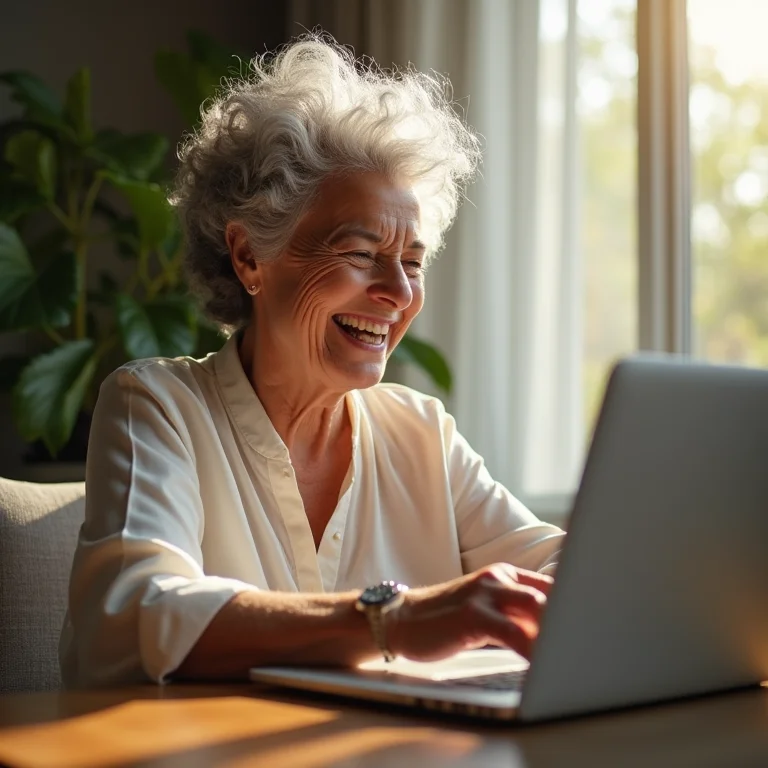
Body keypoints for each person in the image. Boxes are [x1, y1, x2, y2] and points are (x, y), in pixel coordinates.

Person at [59, 36, 565, 688]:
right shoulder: (158, 406)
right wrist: (398, 620)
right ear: (249, 258)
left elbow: (559, 570)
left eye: (412, 262)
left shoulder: (420, 433)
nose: (399, 292)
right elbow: (132, 616)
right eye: (359, 253)